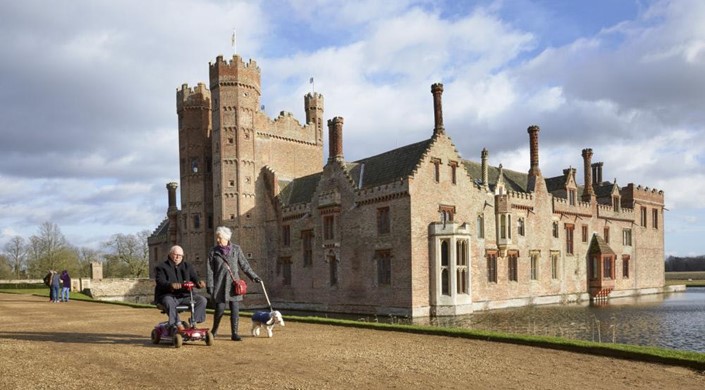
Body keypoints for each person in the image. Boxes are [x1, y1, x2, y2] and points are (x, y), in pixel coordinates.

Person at [207, 226, 261, 341]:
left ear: (226, 238)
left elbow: (244, 265)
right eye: (217, 237)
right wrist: (210, 285)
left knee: (235, 310)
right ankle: (214, 331)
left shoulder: (236, 249)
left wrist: (254, 277)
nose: (217, 240)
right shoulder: (213, 251)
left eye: (219, 237)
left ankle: (235, 333)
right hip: (220, 284)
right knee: (219, 309)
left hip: (234, 284)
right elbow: (210, 270)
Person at [154, 245, 207, 332]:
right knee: (169, 301)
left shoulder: (187, 266)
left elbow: (194, 277)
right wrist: (170, 285)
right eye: (176, 254)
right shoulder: (162, 267)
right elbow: (160, 282)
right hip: (169, 295)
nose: (178, 257)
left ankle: (193, 322)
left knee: (202, 300)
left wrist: (199, 283)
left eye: (180, 255)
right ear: (170, 254)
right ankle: (178, 324)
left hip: (185, 295)